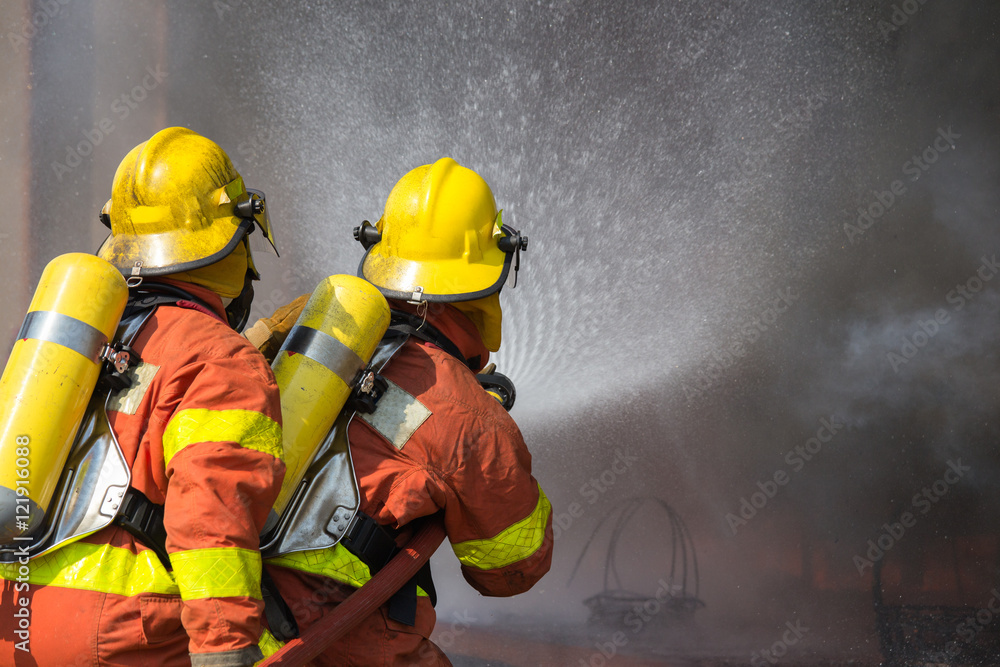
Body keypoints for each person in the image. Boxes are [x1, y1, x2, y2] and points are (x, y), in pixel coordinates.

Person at [247, 157, 553, 665]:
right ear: (493, 270)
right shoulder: (467, 417)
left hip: (224, 612)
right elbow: (511, 568)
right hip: (341, 639)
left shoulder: (313, 326)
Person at [0, 127, 286, 666]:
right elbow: (212, 521)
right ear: (234, 237)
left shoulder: (86, 336)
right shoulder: (220, 359)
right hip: (122, 634)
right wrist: (225, 654)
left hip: (16, 623)